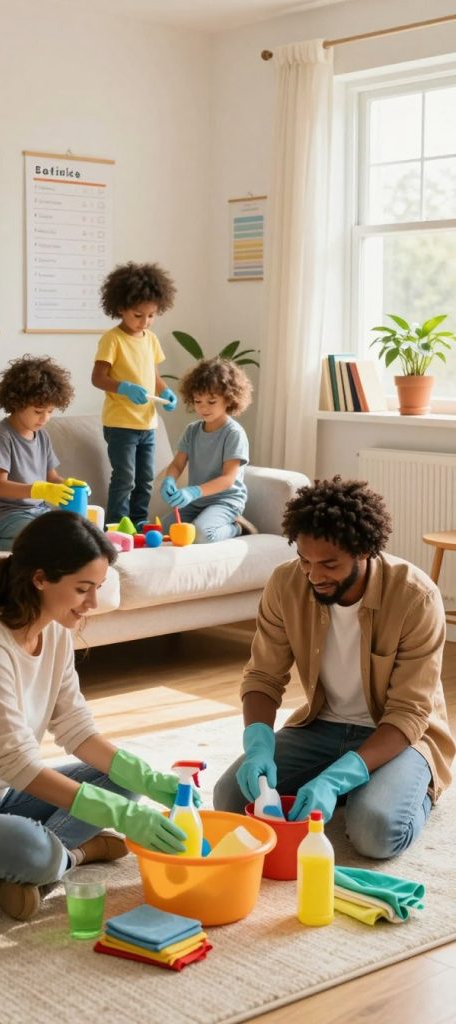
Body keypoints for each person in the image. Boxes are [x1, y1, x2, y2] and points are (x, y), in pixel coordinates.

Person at [0, 512, 187, 921]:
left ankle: (7, 871)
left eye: (97, 588)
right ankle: (74, 854)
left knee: (118, 781)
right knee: (37, 851)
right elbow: (16, 762)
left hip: (2, 799)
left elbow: (74, 726)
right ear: (41, 578)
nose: (93, 604)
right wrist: (116, 816)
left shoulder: (55, 632)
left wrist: (146, 779)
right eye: (83, 589)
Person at [213, 476, 455, 858]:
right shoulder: (286, 585)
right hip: (321, 726)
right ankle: (349, 787)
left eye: (329, 564)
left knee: (375, 833)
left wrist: (336, 778)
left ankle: (403, 789)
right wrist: (258, 745)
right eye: (305, 560)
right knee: (229, 799)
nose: (314, 575)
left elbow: (409, 714)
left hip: (397, 735)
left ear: (364, 552)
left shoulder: (415, 597)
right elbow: (263, 675)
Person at [91, 261, 177, 526]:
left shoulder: (150, 339)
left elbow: (151, 374)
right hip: (120, 424)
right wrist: (124, 388)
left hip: (147, 424)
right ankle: (117, 524)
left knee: (145, 479)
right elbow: (98, 378)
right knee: (124, 478)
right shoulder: (112, 339)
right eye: (138, 315)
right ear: (121, 308)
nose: (145, 321)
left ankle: (138, 522)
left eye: (151, 315)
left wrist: (166, 392)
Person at [0, 354, 87, 552]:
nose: (45, 418)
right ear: (17, 403)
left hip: (38, 511)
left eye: (50, 411)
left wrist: (67, 485)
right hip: (6, 514)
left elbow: (52, 477)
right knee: (42, 540)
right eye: (38, 412)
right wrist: (38, 490)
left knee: (73, 534)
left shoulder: (42, 435)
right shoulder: (1, 436)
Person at [159, 358, 255, 543]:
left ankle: (236, 527)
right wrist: (169, 479)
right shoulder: (192, 430)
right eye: (197, 401)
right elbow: (178, 464)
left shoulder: (234, 433)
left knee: (201, 535)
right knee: (163, 530)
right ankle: (205, 519)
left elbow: (228, 480)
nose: (203, 407)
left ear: (229, 399)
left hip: (225, 501)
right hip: (196, 502)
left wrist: (193, 491)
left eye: (211, 401)